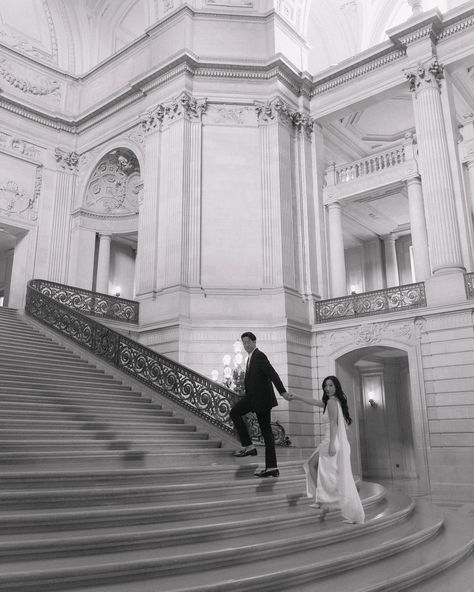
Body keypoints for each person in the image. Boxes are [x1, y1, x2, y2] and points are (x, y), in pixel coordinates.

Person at [287, 376, 365, 524]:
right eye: (325, 386)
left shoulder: (332, 402)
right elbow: (315, 402)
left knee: (320, 469)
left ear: (336, 386)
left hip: (331, 441)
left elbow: (334, 424)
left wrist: (331, 445)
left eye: (330, 385)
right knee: (316, 467)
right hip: (330, 441)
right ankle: (322, 499)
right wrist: (297, 397)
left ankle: (328, 501)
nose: (327, 388)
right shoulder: (332, 401)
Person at [230, 332, 289, 478]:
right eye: (244, 343)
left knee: (266, 432)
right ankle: (254, 451)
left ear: (254, 342)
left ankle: (269, 465)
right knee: (235, 413)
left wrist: (282, 392)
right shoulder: (250, 358)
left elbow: (273, 374)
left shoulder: (260, 356)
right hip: (253, 398)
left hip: (261, 400)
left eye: (248, 342)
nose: (246, 345)